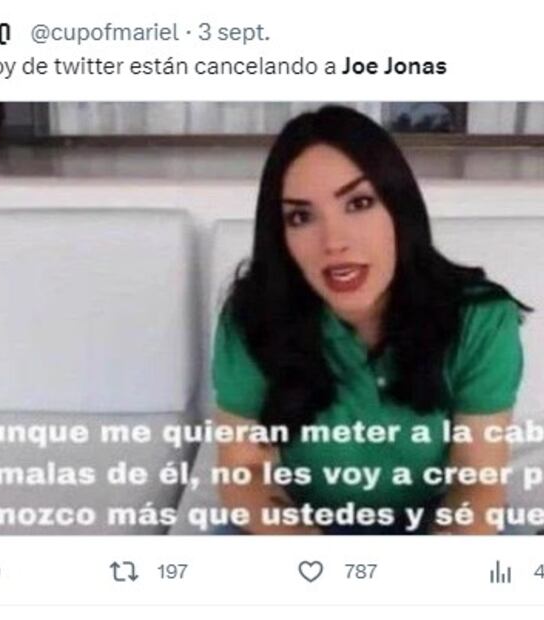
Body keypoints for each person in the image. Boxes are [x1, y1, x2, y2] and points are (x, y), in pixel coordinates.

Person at [212, 105, 526, 534]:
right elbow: (243, 471)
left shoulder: (481, 318)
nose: (334, 242)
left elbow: (477, 479)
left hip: (435, 521)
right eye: (301, 216)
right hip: (302, 524)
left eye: (358, 203)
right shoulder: (253, 315)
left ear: (400, 209)